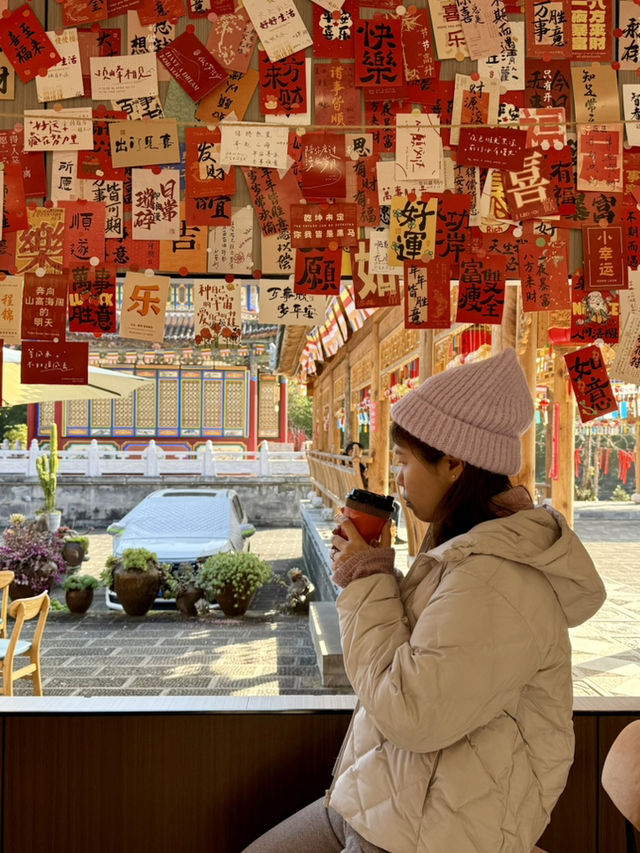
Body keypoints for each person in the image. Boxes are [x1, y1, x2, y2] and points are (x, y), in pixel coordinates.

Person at [242, 348, 606, 853]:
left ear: (454, 464)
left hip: (433, 833)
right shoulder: (465, 551)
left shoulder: (498, 581)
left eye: (406, 461)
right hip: (386, 799)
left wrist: (367, 579)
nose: (397, 478)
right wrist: (377, 573)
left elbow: (411, 712)